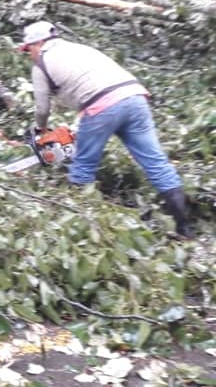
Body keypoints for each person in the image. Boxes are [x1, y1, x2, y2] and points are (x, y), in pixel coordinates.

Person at [18, 20, 193, 238]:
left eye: (28, 49)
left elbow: (42, 107)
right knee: (156, 162)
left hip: (101, 107)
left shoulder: (41, 64)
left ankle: (78, 231)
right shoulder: (80, 49)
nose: (29, 54)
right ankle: (185, 228)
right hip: (134, 97)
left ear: (38, 43)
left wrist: (40, 130)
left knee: (83, 166)